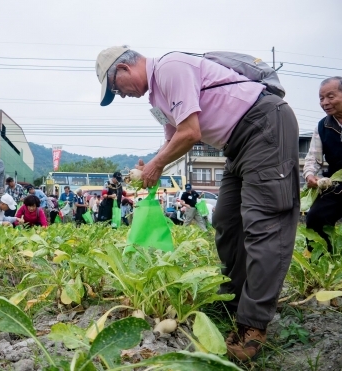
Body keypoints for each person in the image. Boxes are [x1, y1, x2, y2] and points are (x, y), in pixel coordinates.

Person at [95, 46, 300, 360]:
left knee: (264, 225)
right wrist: (149, 166)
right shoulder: (157, 99)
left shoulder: (169, 68)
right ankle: (233, 300)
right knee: (227, 222)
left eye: (115, 89)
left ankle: (253, 324)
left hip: (263, 126)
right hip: (236, 145)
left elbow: (190, 133)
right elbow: (173, 139)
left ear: (123, 68)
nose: (120, 95)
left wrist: (156, 166)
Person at [304, 76, 342, 253]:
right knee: (315, 218)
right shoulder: (322, 126)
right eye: (321, 98)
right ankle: (321, 268)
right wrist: (310, 175)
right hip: (336, 186)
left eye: (330, 96)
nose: (325, 102)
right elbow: (313, 159)